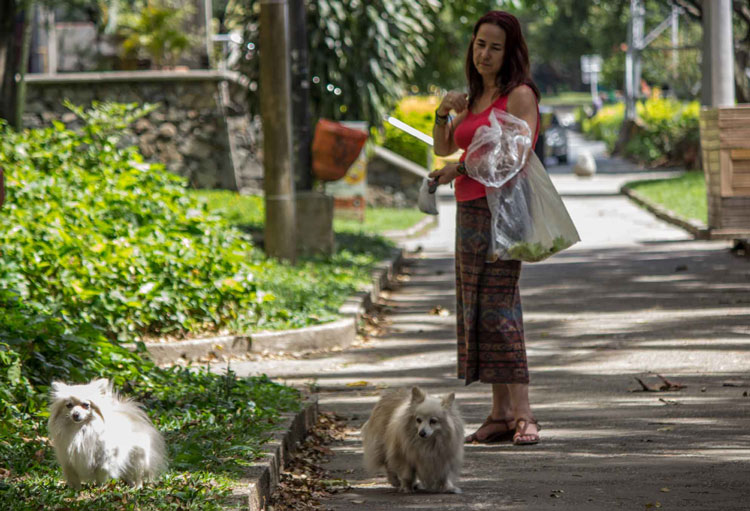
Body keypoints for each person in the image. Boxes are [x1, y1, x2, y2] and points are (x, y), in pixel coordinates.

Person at [429, 10, 541, 446]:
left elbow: (513, 157)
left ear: (510, 52)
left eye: (496, 47)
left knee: (500, 310)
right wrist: (443, 111)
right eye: (480, 44)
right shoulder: (475, 98)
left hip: (503, 213)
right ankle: (499, 413)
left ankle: (525, 415)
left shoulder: (519, 95)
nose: (485, 54)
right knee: (477, 310)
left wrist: (457, 168)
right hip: (469, 213)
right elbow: (443, 145)